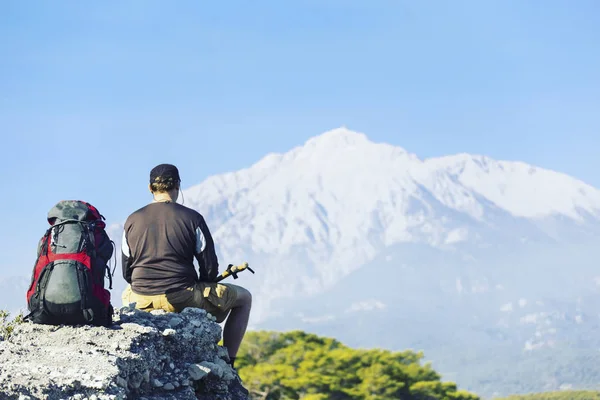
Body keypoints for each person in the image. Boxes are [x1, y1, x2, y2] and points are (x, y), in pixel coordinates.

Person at [120, 163, 252, 368]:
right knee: (244, 298)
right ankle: (229, 361)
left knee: (128, 289)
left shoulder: (131, 220)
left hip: (140, 299)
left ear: (150, 188)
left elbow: (127, 272)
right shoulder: (192, 218)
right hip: (181, 298)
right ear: (178, 186)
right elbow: (209, 268)